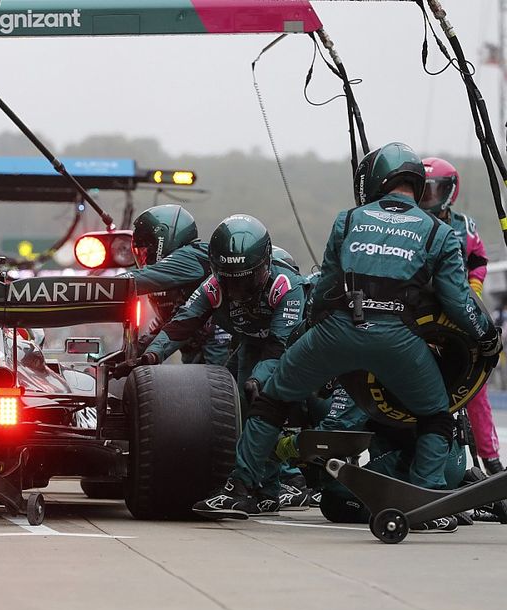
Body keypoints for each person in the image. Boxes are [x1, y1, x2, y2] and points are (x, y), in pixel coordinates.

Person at [194, 142, 500, 532]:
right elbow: (459, 302)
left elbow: (324, 292)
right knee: (436, 416)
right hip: (400, 340)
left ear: (374, 181)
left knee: (273, 398)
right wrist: (488, 338)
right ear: (416, 183)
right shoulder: (439, 232)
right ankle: (428, 499)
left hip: (338, 330)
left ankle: (240, 487)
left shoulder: (348, 220)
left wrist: (313, 338)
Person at [115, 214, 308, 508]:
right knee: (236, 407)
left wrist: (258, 378)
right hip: (252, 344)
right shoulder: (213, 287)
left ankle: (290, 480)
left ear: (265, 266)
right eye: (230, 280)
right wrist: (150, 356)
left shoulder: (286, 286)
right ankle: (265, 488)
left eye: (247, 279)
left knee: (267, 403)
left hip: (293, 346)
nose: (239, 291)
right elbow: (181, 324)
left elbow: (277, 346)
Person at [421, 156, 502, 475]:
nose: (429, 197)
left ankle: (491, 458)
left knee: (476, 389)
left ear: (450, 192)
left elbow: (479, 261)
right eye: (423, 190)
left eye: (434, 191)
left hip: (460, 318)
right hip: (420, 320)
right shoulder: (413, 222)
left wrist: (473, 291)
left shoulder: (464, 226)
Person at [122, 205, 230, 366]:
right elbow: (169, 328)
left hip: (227, 360)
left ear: (162, 239)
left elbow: (139, 279)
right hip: (199, 358)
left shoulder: (192, 255)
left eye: (147, 251)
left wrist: (92, 287)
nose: (144, 260)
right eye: (140, 254)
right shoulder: (170, 278)